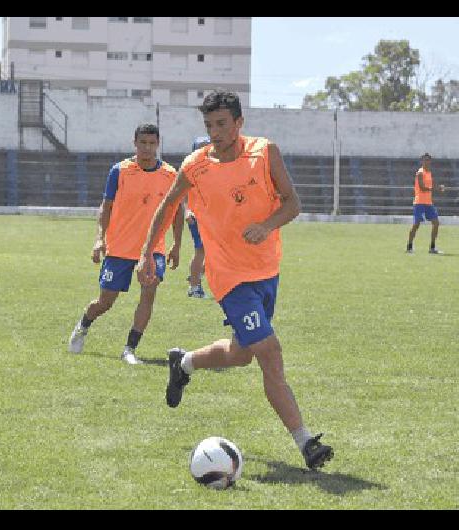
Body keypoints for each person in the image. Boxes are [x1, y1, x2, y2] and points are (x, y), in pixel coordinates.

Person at [136, 90, 334, 470]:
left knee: (244, 354)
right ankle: (306, 442)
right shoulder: (195, 165)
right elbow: (167, 206)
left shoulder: (265, 153)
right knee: (270, 353)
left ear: (239, 123)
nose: (215, 132)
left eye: (222, 124)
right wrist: (148, 252)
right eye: (209, 125)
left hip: (266, 271)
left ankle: (185, 363)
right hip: (229, 277)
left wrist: (266, 225)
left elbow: (292, 203)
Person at [68, 123, 184, 365]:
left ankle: (129, 349)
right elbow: (106, 207)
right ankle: (84, 324)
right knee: (105, 302)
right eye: (143, 143)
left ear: (158, 144)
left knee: (149, 293)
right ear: (135, 143)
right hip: (119, 248)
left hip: (153, 250)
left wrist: (176, 245)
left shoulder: (171, 175)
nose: (147, 148)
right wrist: (100, 238)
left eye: (152, 143)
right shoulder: (119, 171)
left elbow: (177, 211)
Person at [186, 136, 211, 299]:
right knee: (201, 251)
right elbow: (182, 194)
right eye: (201, 147)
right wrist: (187, 211)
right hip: (197, 217)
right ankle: (194, 287)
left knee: (213, 253)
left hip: (212, 218)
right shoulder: (191, 169)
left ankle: (194, 276)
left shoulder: (214, 168)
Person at [406, 153, 446, 254]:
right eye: (425, 160)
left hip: (428, 203)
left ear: (430, 161)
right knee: (416, 224)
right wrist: (436, 188)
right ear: (422, 161)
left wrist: (438, 187)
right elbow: (422, 187)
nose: (426, 162)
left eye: (428, 160)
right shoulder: (420, 172)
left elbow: (430, 185)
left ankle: (432, 248)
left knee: (436, 223)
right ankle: (409, 247)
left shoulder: (429, 173)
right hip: (419, 202)